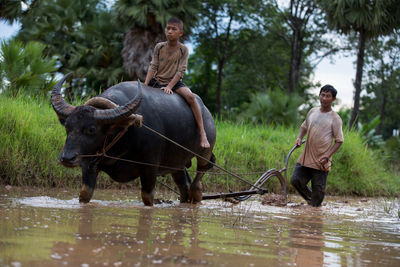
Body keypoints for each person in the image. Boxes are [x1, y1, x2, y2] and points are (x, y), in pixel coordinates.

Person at [144, 17, 210, 148]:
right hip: (157, 81)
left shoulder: (183, 49)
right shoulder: (159, 47)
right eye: (168, 28)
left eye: (174, 29)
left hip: (174, 83)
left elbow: (181, 71)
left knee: (191, 97)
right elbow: (153, 66)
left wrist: (170, 86)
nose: (169, 31)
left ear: (180, 33)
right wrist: (145, 85)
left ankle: (203, 133)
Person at [290, 85, 344, 207]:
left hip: (321, 162)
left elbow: (339, 141)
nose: (324, 98)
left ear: (333, 99)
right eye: (322, 95)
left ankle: (314, 207)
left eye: (328, 96)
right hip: (306, 158)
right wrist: (299, 138)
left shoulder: (335, 118)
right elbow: (304, 126)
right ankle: (311, 202)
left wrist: (327, 156)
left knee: (318, 193)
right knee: (295, 180)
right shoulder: (312, 112)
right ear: (319, 96)